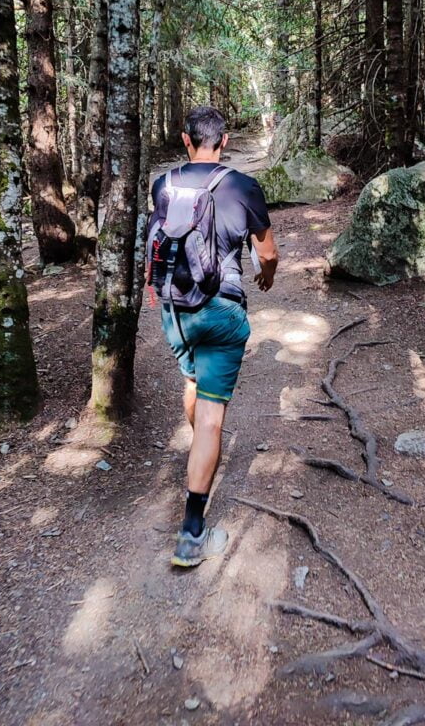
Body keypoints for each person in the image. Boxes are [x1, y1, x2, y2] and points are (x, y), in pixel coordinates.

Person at [148, 106, 279, 568]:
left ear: (186, 140)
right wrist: (266, 276)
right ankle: (190, 531)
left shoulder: (163, 184)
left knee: (193, 382)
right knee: (210, 420)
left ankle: (201, 447)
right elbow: (268, 253)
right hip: (221, 311)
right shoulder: (242, 186)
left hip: (175, 311)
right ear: (224, 142)